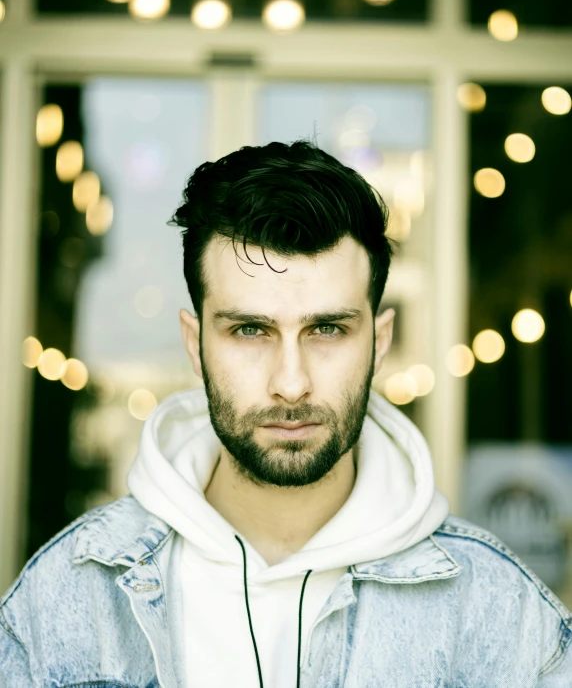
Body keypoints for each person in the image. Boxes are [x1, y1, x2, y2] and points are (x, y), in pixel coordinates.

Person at [1, 140, 571, 688]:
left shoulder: (499, 613)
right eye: (250, 330)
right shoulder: (65, 599)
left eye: (327, 330)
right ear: (196, 345)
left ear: (380, 341)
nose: (291, 383)